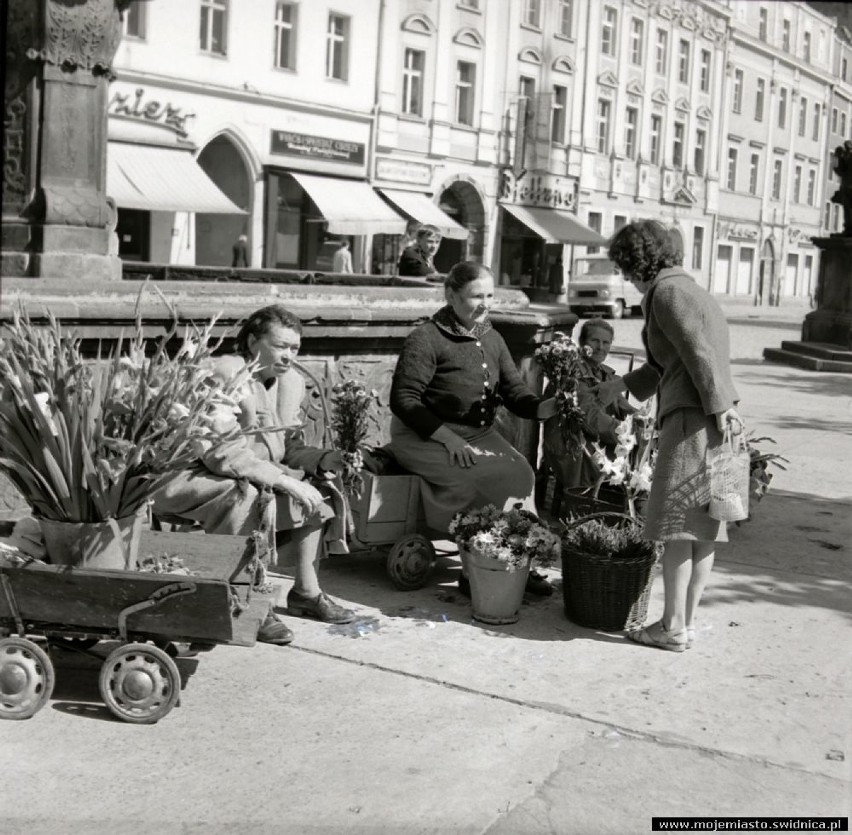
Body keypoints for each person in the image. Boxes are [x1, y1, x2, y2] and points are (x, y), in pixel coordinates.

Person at [152, 305, 356, 645]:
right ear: (252, 342)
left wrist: (324, 459)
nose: (289, 356)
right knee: (245, 496)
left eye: (295, 348)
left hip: (245, 473)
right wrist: (282, 480)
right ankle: (248, 602)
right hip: (186, 475)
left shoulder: (289, 383)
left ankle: (306, 593)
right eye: (281, 346)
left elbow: (287, 446)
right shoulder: (224, 374)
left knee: (318, 492)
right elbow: (220, 453)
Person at [593, 220, 742, 652]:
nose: (624, 276)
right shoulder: (694, 291)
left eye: (624, 266)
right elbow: (673, 361)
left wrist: (719, 407)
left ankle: (671, 627)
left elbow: (698, 353)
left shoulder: (667, 293)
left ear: (637, 260)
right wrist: (622, 387)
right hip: (716, 420)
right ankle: (686, 625)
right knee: (705, 527)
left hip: (693, 420)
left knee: (676, 526)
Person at [389, 261, 558, 596]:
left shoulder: (489, 336)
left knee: (521, 473)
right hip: (426, 436)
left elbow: (514, 391)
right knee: (476, 478)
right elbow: (404, 400)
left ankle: (519, 564)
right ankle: (475, 569)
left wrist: (545, 407)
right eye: (475, 296)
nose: (485, 304)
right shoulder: (426, 338)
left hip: (477, 435)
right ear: (451, 295)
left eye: (490, 295)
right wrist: (446, 436)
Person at [542, 318, 636, 495]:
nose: (601, 347)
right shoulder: (571, 373)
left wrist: (645, 422)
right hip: (571, 441)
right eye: (595, 341)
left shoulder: (605, 374)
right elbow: (590, 418)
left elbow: (626, 408)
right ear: (583, 343)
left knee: (642, 450)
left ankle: (624, 500)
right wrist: (624, 431)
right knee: (613, 457)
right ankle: (590, 504)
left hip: (595, 436)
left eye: (606, 342)